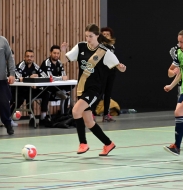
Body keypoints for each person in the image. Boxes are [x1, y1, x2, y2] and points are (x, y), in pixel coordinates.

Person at [60, 23, 126, 156]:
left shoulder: (104, 52)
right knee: (89, 121)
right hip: (81, 89)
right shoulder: (80, 47)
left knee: (75, 111)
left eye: (90, 36)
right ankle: (108, 144)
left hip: (94, 90)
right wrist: (63, 50)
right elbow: (63, 60)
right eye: (86, 36)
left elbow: (120, 66)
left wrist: (121, 67)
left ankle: (83, 143)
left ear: (97, 36)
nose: (88, 39)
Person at [12, 49, 50, 127]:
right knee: (29, 94)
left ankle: (43, 117)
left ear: (33, 58)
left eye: (31, 56)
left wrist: (37, 78)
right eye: (27, 56)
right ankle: (31, 118)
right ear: (24, 57)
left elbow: (45, 76)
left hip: (32, 89)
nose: (29, 58)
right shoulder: (20, 65)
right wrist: (29, 78)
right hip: (21, 90)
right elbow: (18, 77)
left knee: (46, 93)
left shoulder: (35, 66)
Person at [40, 45, 72, 114]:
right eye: (54, 53)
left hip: (55, 87)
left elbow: (64, 75)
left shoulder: (59, 63)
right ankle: (43, 118)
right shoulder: (46, 63)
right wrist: (61, 78)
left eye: (58, 53)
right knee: (47, 94)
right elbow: (50, 77)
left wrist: (62, 77)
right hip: (45, 89)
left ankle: (64, 116)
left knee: (66, 95)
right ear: (50, 53)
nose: (56, 55)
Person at [100, 27, 117, 122]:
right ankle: (92, 114)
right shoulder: (100, 46)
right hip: (102, 72)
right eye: (104, 34)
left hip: (111, 71)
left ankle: (106, 114)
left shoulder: (112, 46)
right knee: (99, 93)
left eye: (108, 34)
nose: (106, 36)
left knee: (108, 93)